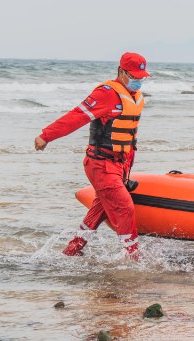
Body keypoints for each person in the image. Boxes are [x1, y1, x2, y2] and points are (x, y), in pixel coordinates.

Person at [34, 52, 151, 259]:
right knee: (124, 206)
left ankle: (72, 250)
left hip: (121, 164)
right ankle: (132, 257)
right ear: (121, 72)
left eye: (141, 77)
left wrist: (127, 166)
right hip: (101, 164)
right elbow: (77, 116)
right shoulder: (106, 93)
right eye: (134, 76)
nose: (138, 81)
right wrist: (47, 136)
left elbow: (129, 138)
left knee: (100, 210)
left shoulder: (135, 96)